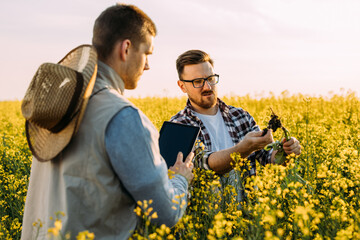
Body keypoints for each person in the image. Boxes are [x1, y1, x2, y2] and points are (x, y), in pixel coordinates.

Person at [21, 4, 193, 239]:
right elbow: (165, 213)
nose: (147, 65)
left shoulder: (61, 106)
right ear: (126, 48)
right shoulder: (124, 116)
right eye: (147, 53)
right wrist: (180, 179)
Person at [170, 49, 301, 199]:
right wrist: (243, 149)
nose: (207, 87)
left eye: (211, 79)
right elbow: (205, 163)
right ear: (182, 86)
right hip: (206, 220)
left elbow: (268, 157)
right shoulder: (178, 126)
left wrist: (287, 151)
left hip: (247, 218)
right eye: (197, 82)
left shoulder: (240, 116)